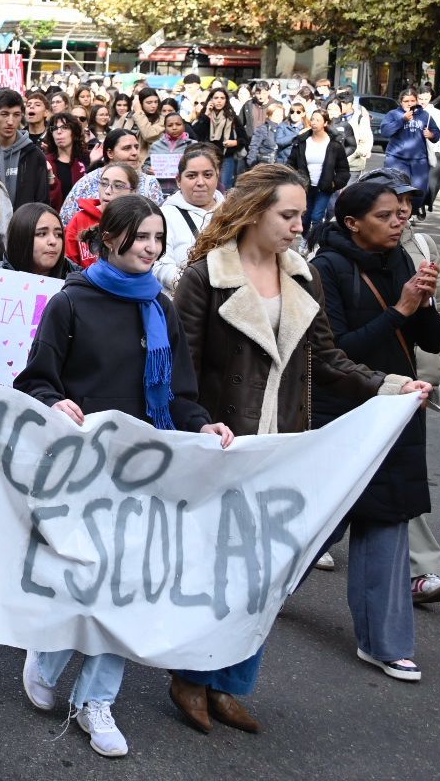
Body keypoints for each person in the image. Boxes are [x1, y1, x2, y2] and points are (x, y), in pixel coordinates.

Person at [171, 165, 424, 732]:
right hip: (222, 446)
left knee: (267, 575)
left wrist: (390, 387)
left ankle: (229, 683)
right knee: (218, 571)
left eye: (301, 215)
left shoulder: (303, 276)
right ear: (253, 213)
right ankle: (189, 674)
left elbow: (327, 360)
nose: (298, 226)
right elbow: (181, 367)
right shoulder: (206, 277)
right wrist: (198, 426)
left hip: (285, 449)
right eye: (287, 215)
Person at [16, 194, 232, 758]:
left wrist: (202, 424)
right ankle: (49, 656)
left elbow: (179, 394)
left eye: (159, 238)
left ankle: (96, 701)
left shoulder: (160, 307)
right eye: (142, 237)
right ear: (110, 238)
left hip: (147, 471)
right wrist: (55, 403)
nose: (153, 248)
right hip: (83, 471)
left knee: (127, 590)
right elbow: (35, 381)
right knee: (84, 581)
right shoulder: (70, 303)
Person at [308, 182, 440, 682]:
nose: (398, 221)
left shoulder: (401, 260)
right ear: (352, 223)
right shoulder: (326, 269)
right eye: (385, 215)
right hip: (344, 412)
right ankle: (253, 598)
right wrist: (400, 310)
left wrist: (423, 305)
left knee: (387, 520)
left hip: (398, 409)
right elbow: (338, 352)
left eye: (401, 214)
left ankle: (385, 644)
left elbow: (433, 340)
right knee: (314, 523)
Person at [354, 168, 440, 605]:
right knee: (357, 470)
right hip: (360, 381)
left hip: (413, 383)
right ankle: (307, 548)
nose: (401, 211)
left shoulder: (422, 247)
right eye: (390, 203)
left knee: (397, 473)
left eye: (405, 202)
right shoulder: (339, 253)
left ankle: (421, 570)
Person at [153, 143, 223, 290]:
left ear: (217, 176)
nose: (200, 182)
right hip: (185, 297)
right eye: (192, 176)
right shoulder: (164, 216)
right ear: (178, 180)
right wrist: (196, 288)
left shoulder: (233, 212)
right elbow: (160, 265)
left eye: (207, 175)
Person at [57, 130, 164, 224]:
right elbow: (66, 222)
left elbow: (160, 223)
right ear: (110, 153)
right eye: (127, 148)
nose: (135, 153)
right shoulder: (87, 182)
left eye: (136, 147)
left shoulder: (149, 183)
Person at [64, 162, 137, 269]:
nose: (107, 191)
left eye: (118, 186)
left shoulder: (139, 221)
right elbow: (68, 265)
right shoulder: (79, 219)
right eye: (103, 183)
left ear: (133, 192)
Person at [290, 107, 348, 234]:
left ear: (325, 123)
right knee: (305, 217)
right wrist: (294, 181)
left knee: (317, 216)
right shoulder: (302, 142)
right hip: (306, 186)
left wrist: (334, 183)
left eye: (318, 120)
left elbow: (343, 169)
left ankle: (314, 240)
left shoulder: (334, 143)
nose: (314, 122)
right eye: (312, 119)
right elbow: (291, 164)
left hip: (324, 187)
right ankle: (305, 239)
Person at [380, 90, 438, 217]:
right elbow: (385, 132)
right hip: (396, 158)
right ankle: (398, 216)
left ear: (416, 101)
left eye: (412, 100)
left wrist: (431, 135)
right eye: (406, 101)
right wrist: (402, 120)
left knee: (419, 191)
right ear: (401, 102)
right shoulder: (393, 114)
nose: (409, 103)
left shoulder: (425, 115)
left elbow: (436, 134)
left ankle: (412, 212)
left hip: (419, 160)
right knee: (397, 190)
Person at [0, 89, 50, 207]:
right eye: (4, 114)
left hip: (25, 218)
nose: (10, 121)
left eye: (16, 115)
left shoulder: (34, 154)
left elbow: (42, 202)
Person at [190, 87, 248, 190]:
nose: (219, 101)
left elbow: (244, 138)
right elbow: (195, 134)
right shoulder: (205, 115)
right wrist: (206, 114)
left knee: (224, 187)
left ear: (226, 100)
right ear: (211, 99)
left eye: (222, 98)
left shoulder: (231, 116)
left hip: (226, 157)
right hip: (207, 157)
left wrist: (235, 142)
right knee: (208, 186)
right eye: (216, 98)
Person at [4, 202, 75, 279]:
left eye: (58, 234)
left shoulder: (79, 280)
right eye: (42, 234)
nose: (53, 241)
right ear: (20, 237)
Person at [44, 111, 89, 210]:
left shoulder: (85, 160)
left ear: (74, 132)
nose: (59, 132)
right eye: (54, 128)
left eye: (64, 127)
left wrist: (92, 163)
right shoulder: (45, 162)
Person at [113, 87, 165, 151]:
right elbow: (114, 137)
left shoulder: (161, 119)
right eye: (149, 103)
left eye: (156, 102)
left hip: (146, 156)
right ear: (140, 103)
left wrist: (139, 112)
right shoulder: (128, 116)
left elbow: (149, 136)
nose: (153, 106)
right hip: (126, 155)